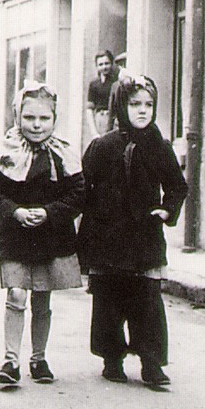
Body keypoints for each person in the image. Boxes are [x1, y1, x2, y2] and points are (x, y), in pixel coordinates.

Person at [76, 75, 188, 386]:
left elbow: (177, 186)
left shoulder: (159, 146)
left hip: (144, 237)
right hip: (107, 236)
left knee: (148, 300)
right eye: (134, 104)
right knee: (108, 299)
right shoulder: (102, 146)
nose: (142, 111)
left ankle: (151, 361)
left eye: (148, 105)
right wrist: (82, 234)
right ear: (120, 107)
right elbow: (83, 188)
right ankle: (112, 359)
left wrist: (167, 210)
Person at [0, 81, 85, 384]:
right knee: (16, 294)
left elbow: (78, 194)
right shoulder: (6, 151)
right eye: (29, 118)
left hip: (50, 236)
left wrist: (49, 212)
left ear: (55, 119)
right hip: (15, 236)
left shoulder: (63, 153)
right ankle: (10, 360)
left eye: (44, 118)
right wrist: (14, 211)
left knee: (42, 297)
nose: (37, 125)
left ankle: (38, 358)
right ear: (17, 116)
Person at [85, 50, 127, 138]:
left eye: (106, 63)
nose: (104, 67)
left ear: (111, 64)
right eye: (100, 64)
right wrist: (93, 132)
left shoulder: (116, 82)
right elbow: (89, 109)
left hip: (114, 119)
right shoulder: (94, 84)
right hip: (100, 119)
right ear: (96, 66)